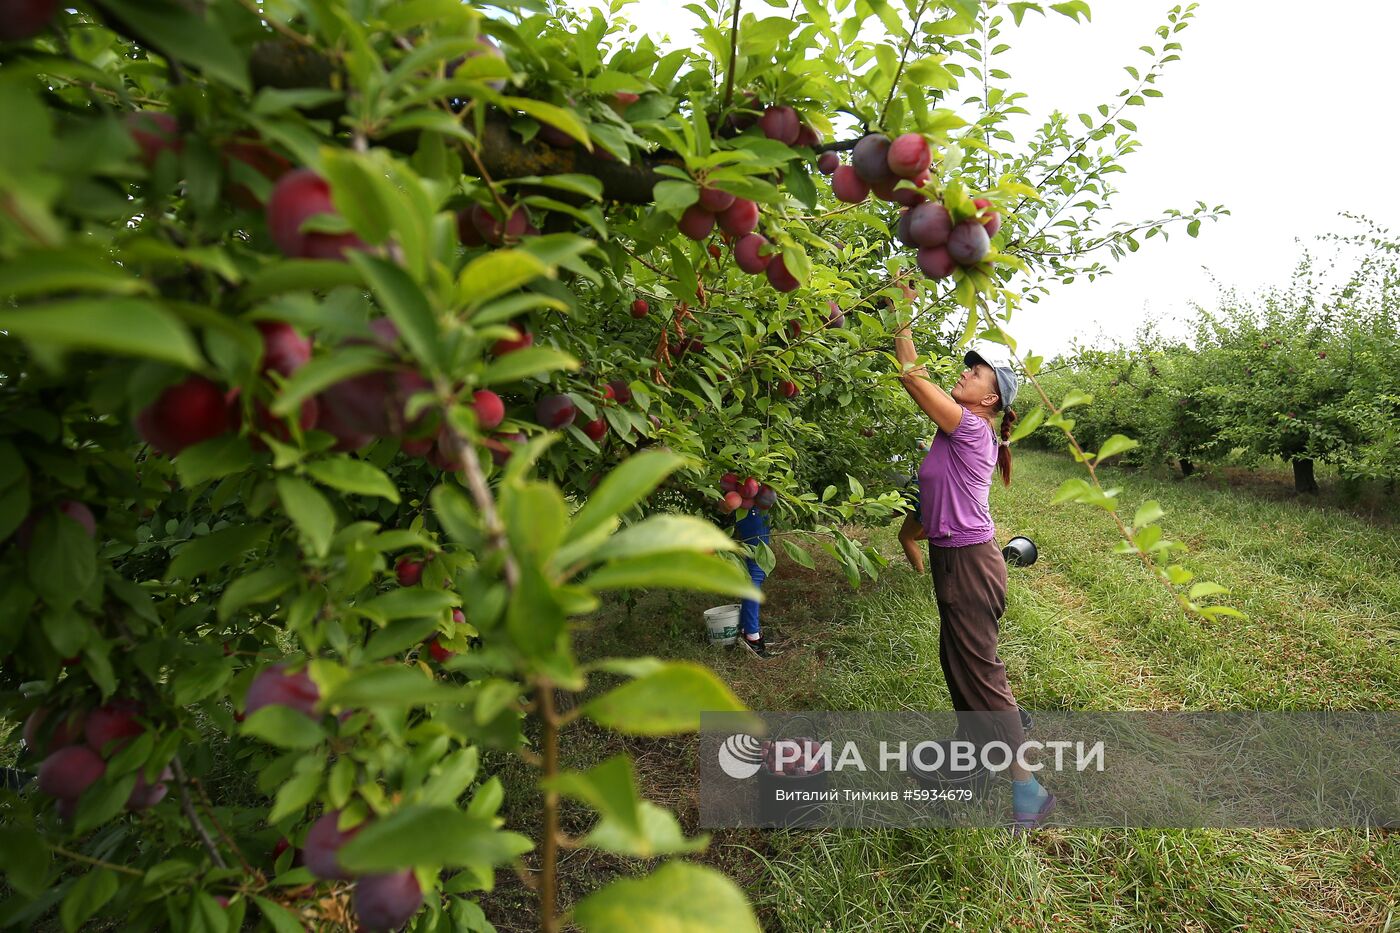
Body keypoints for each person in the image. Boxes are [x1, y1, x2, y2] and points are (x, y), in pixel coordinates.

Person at [893, 314, 1054, 833]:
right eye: (970, 367)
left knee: (982, 676)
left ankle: (1029, 789)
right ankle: (978, 758)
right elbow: (935, 501)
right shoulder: (958, 432)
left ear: (991, 398)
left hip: (970, 564)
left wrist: (903, 313)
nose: (966, 373)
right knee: (959, 668)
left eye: (977, 371)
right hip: (954, 559)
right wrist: (911, 538)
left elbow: (912, 377)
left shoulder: (968, 428)